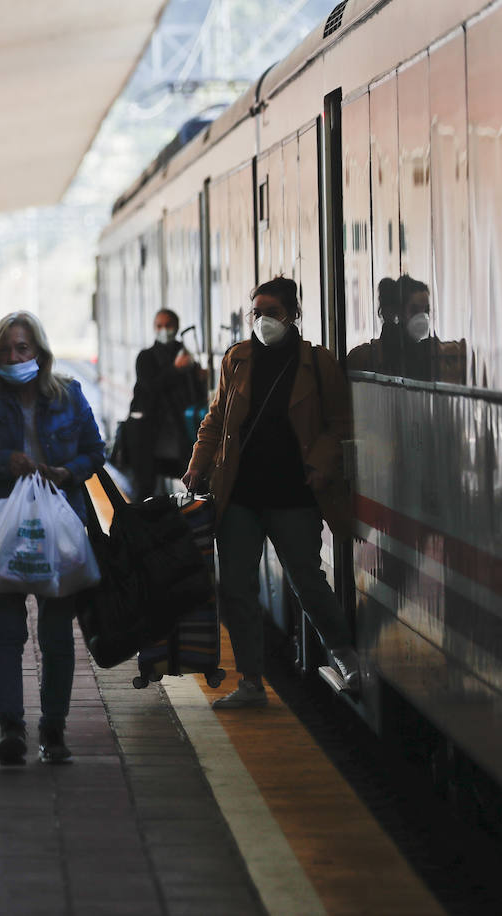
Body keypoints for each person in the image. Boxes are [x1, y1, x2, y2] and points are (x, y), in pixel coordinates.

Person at [182, 277, 359, 709]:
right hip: (240, 494)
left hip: (295, 495)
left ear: (293, 315)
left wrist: (318, 463)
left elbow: (339, 425)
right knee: (237, 588)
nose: (263, 321)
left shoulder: (317, 364)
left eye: (272, 313)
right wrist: (196, 467)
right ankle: (251, 683)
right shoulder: (237, 360)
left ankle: (347, 658)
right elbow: (217, 418)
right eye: (256, 313)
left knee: (307, 580)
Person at [0, 312, 105, 765]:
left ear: (40, 352)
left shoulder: (69, 394)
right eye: (7, 350)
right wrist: (3, 462)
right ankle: (11, 728)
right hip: (4, 528)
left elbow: (96, 451)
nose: (15, 357)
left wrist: (66, 472)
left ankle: (53, 730)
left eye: (24, 349)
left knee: (56, 634)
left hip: (57, 532)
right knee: (7, 630)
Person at [127, 309, 204, 499]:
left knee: (194, 480)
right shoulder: (146, 357)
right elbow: (151, 386)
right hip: (149, 432)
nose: (164, 330)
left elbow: (194, 395)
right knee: (145, 486)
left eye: (168, 325)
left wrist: (200, 377)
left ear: (176, 327)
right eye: (159, 326)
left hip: (178, 432)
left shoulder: (186, 355)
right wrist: (176, 369)